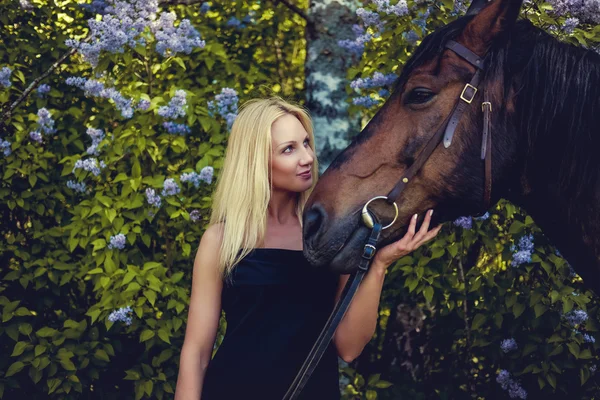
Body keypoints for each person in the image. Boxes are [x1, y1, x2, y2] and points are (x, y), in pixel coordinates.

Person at [174, 97, 442, 400]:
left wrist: (378, 265)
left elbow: (350, 348)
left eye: (305, 143)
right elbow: (196, 353)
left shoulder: (331, 233)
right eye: (289, 149)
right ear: (255, 161)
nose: (308, 157)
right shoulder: (222, 239)